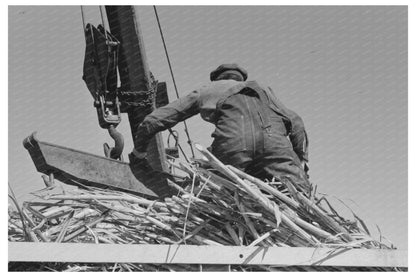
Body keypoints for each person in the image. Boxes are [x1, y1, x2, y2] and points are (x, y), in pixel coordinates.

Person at [130, 64, 310, 192]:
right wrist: (301, 161)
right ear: (241, 79)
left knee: (213, 193)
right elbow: (297, 123)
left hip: (234, 143)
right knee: (298, 196)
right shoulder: (265, 91)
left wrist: (138, 154)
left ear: (216, 78)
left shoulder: (209, 88)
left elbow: (153, 120)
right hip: (276, 144)